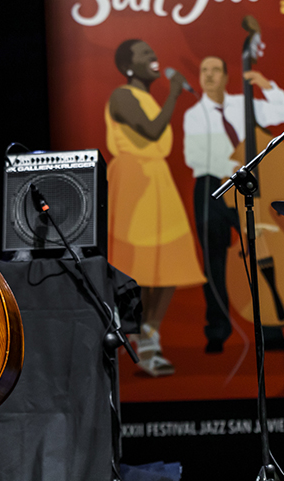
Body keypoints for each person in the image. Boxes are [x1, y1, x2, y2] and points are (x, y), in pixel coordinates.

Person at [105, 39, 205, 377]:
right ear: (129, 66)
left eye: (153, 50)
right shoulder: (122, 96)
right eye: (145, 54)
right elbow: (150, 131)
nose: (154, 56)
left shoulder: (147, 97)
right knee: (139, 267)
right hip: (134, 182)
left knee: (168, 267)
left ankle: (150, 336)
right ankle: (125, 340)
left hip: (157, 182)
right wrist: (175, 92)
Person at [182, 56, 284, 353]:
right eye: (203, 69)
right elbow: (194, 156)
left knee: (261, 256)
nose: (208, 75)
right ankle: (217, 331)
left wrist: (266, 86)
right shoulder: (194, 114)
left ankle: (271, 332)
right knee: (214, 263)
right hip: (210, 189)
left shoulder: (243, 106)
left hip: (244, 186)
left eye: (215, 69)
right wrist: (234, 162)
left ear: (226, 76)